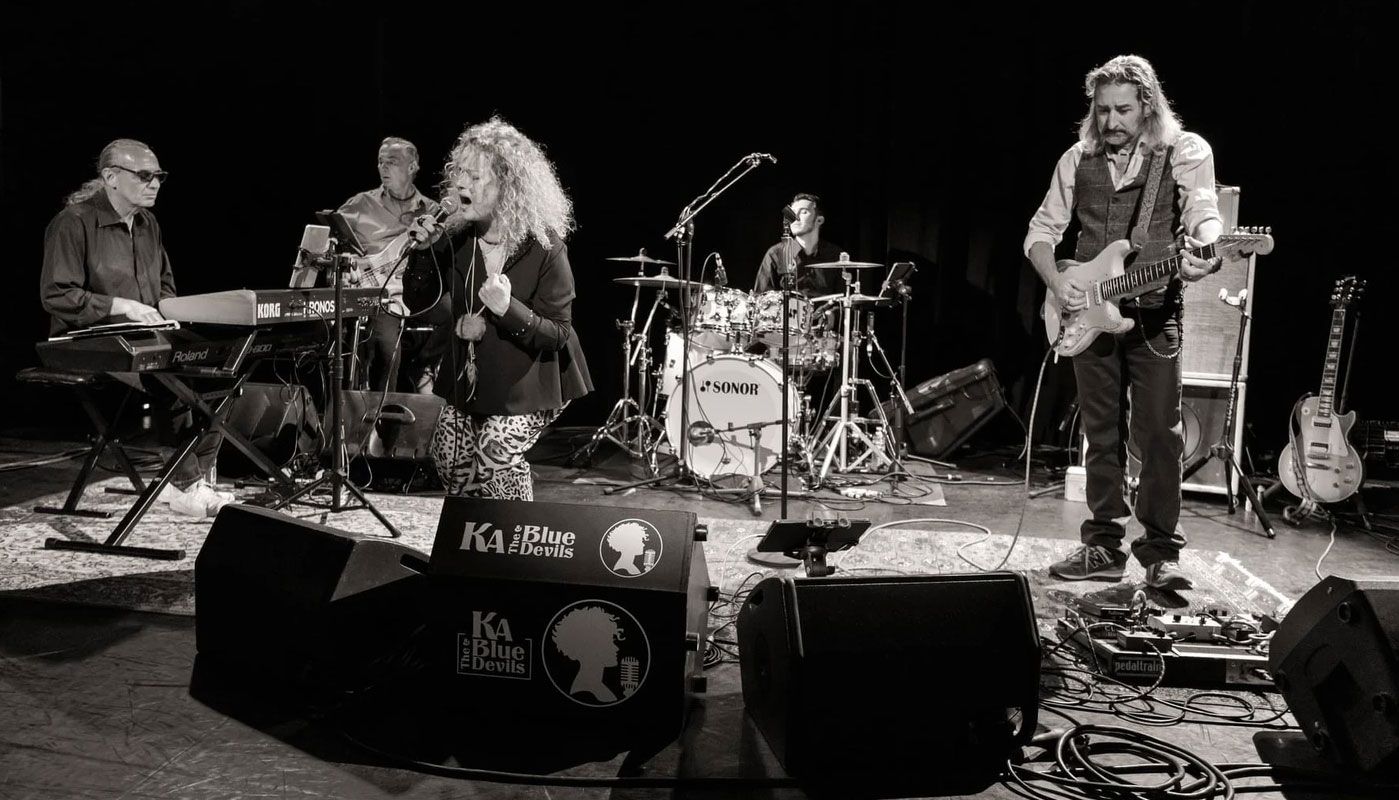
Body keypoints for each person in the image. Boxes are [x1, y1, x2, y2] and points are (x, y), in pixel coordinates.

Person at [1024, 55, 1224, 591]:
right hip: (1088, 313)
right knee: (1101, 434)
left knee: (1160, 433)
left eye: (1123, 110)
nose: (1111, 121)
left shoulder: (1183, 150)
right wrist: (1056, 281)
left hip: (1156, 313)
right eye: (1103, 109)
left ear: (1149, 105)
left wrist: (1206, 243)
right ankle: (1102, 546)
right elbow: (1040, 232)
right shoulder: (1076, 157)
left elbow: (1202, 209)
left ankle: (1160, 552)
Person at [39, 139, 232, 518]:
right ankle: (183, 484)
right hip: (84, 340)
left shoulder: (148, 223)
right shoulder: (73, 222)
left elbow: (164, 286)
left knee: (224, 374)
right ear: (110, 177)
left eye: (158, 176)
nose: (155, 183)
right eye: (144, 176)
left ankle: (194, 477)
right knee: (169, 380)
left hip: (143, 337)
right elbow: (56, 294)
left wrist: (170, 315)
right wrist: (119, 306)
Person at [406, 117, 592, 500]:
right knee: (449, 462)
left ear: (508, 186)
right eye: (458, 174)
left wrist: (509, 309)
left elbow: (558, 333)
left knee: (493, 455)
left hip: (530, 380)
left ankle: (513, 537)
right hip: (473, 377)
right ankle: (475, 533)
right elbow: (417, 303)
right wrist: (422, 256)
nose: (459, 185)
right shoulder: (456, 238)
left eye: (474, 177)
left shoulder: (545, 247)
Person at [336, 136, 446, 393]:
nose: (383, 167)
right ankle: (377, 414)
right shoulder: (360, 204)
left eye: (392, 162)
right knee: (386, 349)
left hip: (415, 291)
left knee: (454, 310)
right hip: (375, 295)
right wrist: (346, 266)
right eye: (380, 162)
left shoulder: (433, 211)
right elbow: (333, 241)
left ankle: (422, 366)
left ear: (412, 167)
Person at [752, 193, 841, 296]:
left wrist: (829, 312)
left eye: (804, 212)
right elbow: (761, 297)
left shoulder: (834, 255)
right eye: (793, 213)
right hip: (787, 312)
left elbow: (843, 300)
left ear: (819, 220)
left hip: (823, 312)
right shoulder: (776, 253)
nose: (795, 218)